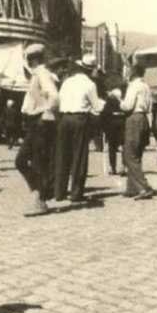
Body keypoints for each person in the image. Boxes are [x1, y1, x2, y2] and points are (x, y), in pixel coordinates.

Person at [17, 43, 60, 216]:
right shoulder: (38, 75)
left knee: (37, 162)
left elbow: (55, 97)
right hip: (36, 121)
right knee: (24, 161)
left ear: (32, 59)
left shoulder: (42, 74)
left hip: (41, 122)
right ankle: (39, 194)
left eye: (29, 58)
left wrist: (44, 111)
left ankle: (40, 199)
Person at [55, 54, 104, 202]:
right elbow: (96, 107)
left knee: (62, 155)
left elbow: (59, 100)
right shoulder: (90, 85)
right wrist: (102, 103)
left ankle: (59, 192)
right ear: (91, 70)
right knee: (79, 156)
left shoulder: (67, 82)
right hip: (80, 119)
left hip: (64, 118)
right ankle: (76, 193)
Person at [120, 63, 154, 200]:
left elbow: (127, 106)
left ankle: (144, 187)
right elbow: (150, 105)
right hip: (144, 118)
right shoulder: (146, 86)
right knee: (136, 154)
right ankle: (132, 187)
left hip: (133, 118)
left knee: (129, 155)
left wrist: (118, 100)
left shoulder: (133, 86)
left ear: (133, 72)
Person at [102, 88, 126, 175]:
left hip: (111, 128)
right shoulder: (123, 103)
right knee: (123, 147)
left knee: (111, 148)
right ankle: (123, 166)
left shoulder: (108, 104)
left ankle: (113, 167)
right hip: (122, 127)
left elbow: (103, 116)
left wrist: (104, 129)